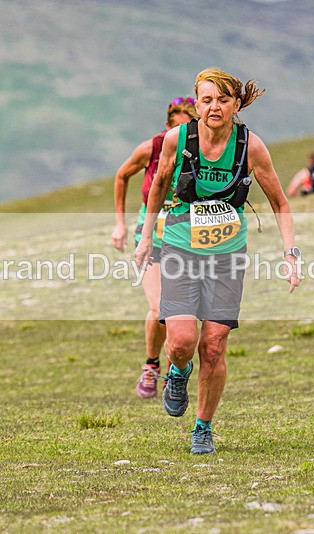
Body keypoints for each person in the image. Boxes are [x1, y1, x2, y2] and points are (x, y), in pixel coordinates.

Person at [136, 67, 301, 455]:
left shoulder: (251, 147)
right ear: (196, 103)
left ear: (236, 104)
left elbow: (280, 202)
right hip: (179, 247)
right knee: (181, 342)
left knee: (213, 345)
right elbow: (159, 184)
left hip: (227, 255)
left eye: (223, 100)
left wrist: (291, 254)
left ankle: (203, 428)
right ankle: (177, 371)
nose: (214, 107)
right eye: (206, 100)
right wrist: (145, 238)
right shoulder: (180, 138)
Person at [112, 97, 198, 399]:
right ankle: (151, 365)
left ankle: (174, 372)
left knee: (181, 313)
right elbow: (122, 175)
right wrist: (120, 224)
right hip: (152, 237)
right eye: (177, 127)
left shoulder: (205, 150)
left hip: (187, 239)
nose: (181, 135)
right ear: (167, 127)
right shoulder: (151, 148)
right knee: (160, 307)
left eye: (188, 126)